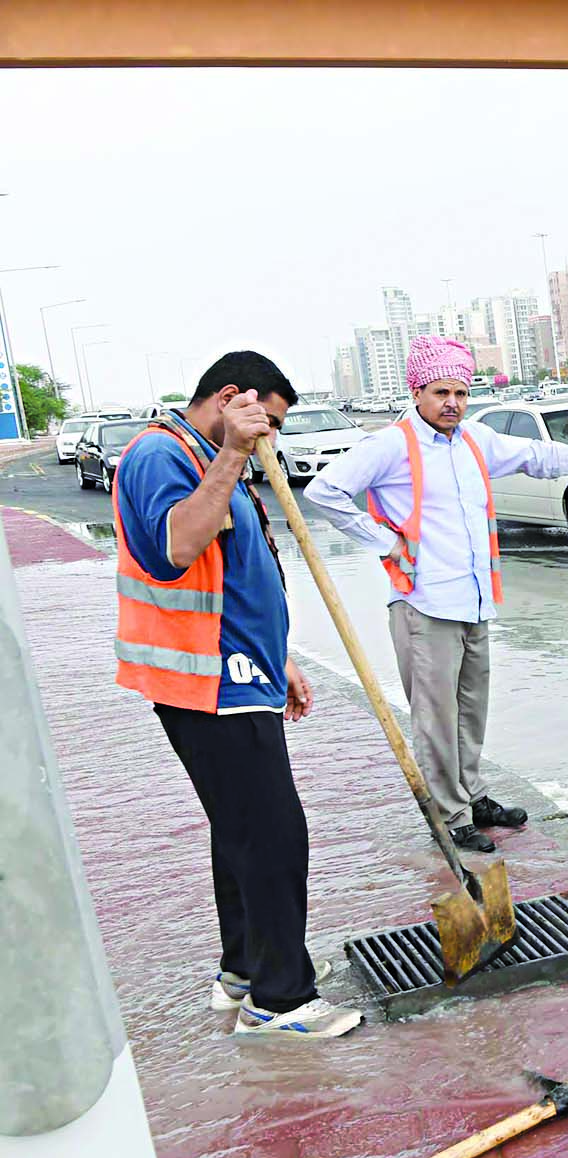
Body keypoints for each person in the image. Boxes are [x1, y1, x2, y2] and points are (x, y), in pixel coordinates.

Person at [306, 337, 568, 853]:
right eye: (441, 392)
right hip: (423, 603)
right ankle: (450, 815)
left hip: (474, 598)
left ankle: (471, 795)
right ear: (417, 392)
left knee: (471, 708)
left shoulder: (475, 440)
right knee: (436, 718)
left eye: (461, 393)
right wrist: (384, 541)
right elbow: (323, 491)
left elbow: (538, 456)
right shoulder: (391, 446)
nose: (453, 403)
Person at [111, 351, 362, 1040]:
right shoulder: (161, 455)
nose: (271, 436)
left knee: (243, 834)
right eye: (267, 420)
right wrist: (232, 454)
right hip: (207, 679)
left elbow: (239, 570)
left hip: (242, 670)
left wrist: (279, 656)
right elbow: (174, 549)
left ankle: (247, 970)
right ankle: (279, 1001)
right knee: (275, 835)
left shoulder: (210, 454)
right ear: (229, 398)